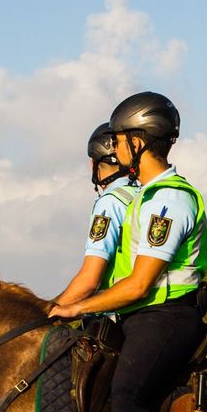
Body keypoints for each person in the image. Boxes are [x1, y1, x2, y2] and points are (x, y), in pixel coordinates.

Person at [49, 91, 207, 412]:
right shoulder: (144, 198)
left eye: (119, 139)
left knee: (128, 393)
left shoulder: (170, 200)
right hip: (144, 317)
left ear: (139, 142)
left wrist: (77, 307)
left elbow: (139, 285)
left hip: (167, 316)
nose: (114, 148)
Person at [50, 122, 139, 309]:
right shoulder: (143, 193)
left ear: (94, 164)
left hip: (115, 313)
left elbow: (90, 280)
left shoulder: (110, 202)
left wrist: (49, 310)